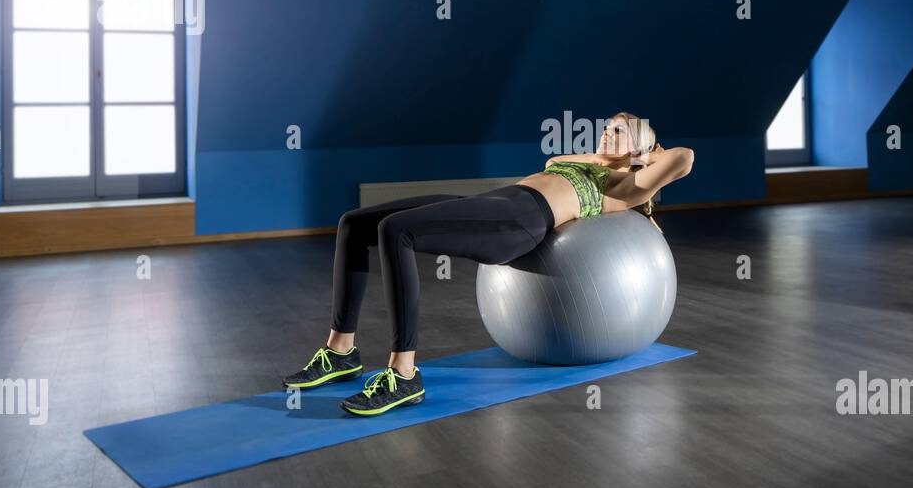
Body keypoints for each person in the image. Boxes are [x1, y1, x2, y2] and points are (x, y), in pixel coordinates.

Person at [282, 112, 695, 416]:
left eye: (619, 130)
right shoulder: (586, 164)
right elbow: (561, 162)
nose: (607, 131)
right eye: (607, 125)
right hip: (495, 201)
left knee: (396, 231)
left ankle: (404, 375)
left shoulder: (624, 187)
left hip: (520, 223)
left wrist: (642, 159)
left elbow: (683, 157)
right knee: (353, 223)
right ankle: (340, 351)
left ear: (639, 149)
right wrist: (618, 150)